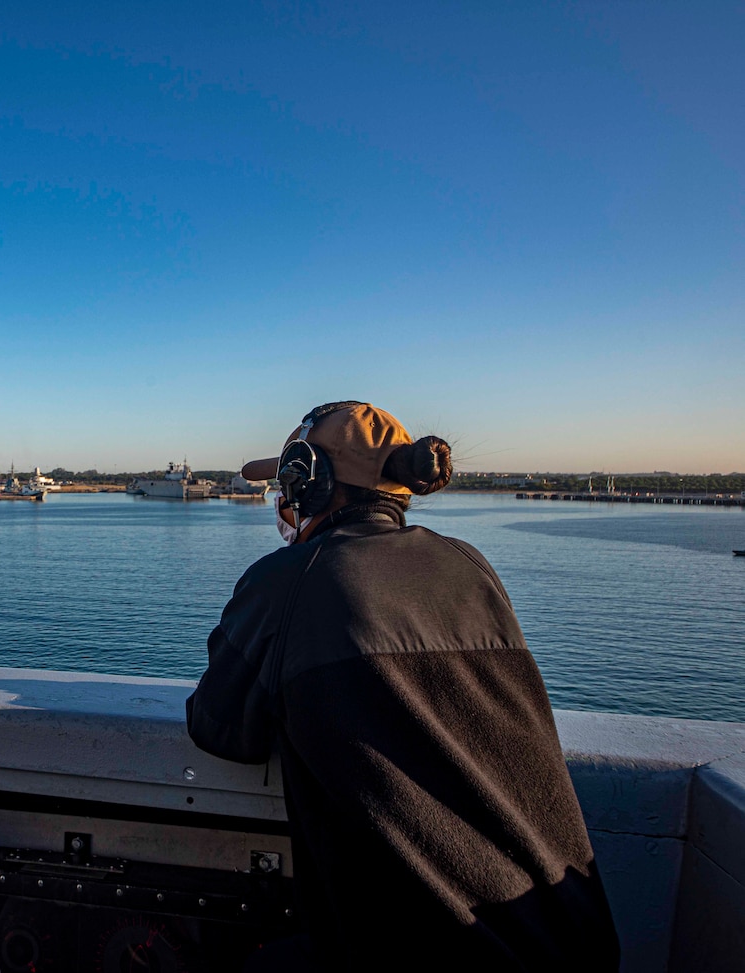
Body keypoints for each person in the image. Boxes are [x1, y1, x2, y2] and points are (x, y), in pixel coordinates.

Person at [188, 401, 619, 971]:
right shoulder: (469, 564)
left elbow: (220, 729)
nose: (281, 499)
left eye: (286, 484)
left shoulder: (289, 578)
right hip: (571, 939)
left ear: (308, 482)